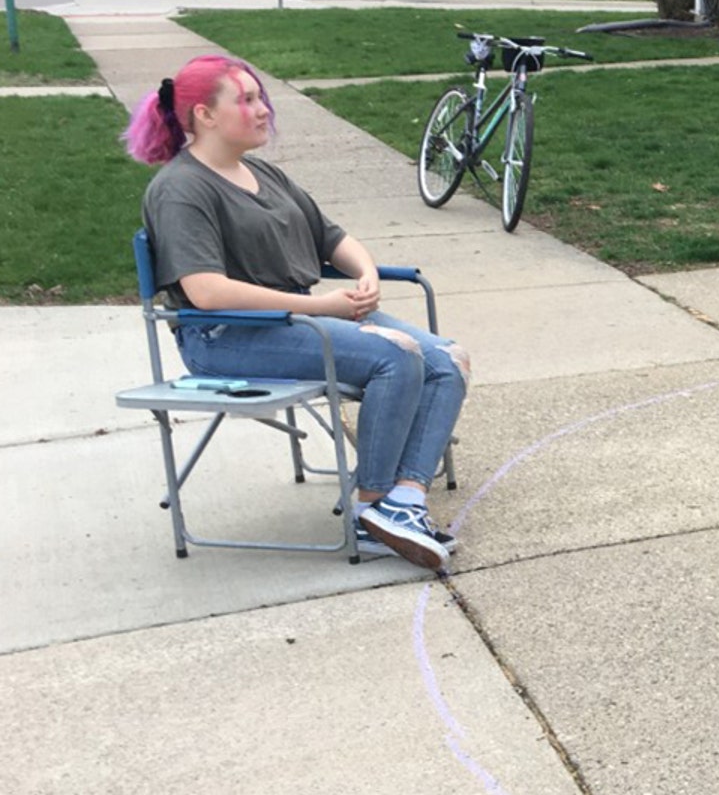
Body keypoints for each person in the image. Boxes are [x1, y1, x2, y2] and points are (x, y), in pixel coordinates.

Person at [122, 55, 470, 570]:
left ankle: (404, 502)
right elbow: (207, 291)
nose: (263, 110)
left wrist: (365, 272)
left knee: (448, 359)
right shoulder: (180, 189)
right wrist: (318, 305)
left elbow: (330, 237)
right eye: (246, 100)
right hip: (225, 338)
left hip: (296, 322)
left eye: (260, 97)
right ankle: (370, 508)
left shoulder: (260, 171)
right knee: (395, 356)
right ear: (204, 115)